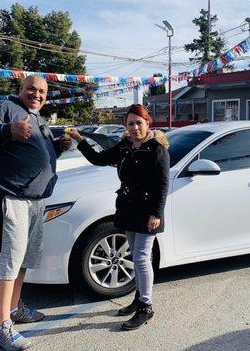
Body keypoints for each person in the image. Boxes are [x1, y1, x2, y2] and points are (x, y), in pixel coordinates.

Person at [0, 75, 71, 350]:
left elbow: (37, 152)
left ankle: (13, 309)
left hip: (35, 201)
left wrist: (57, 149)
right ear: (21, 89)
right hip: (9, 198)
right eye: (32, 89)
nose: (37, 94)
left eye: (42, 91)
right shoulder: (5, 109)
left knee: (22, 260)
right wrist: (7, 131)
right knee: (7, 261)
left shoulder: (38, 118)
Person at [67, 104, 169, 330]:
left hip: (146, 211)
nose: (135, 128)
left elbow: (162, 185)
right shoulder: (125, 145)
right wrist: (80, 140)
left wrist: (157, 213)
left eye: (139, 123)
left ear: (147, 123)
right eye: (130, 123)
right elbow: (99, 158)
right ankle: (139, 298)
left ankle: (146, 307)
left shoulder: (157, 148)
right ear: (126, 126)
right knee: (135, 255)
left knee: (142, 258)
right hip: (127, 208)